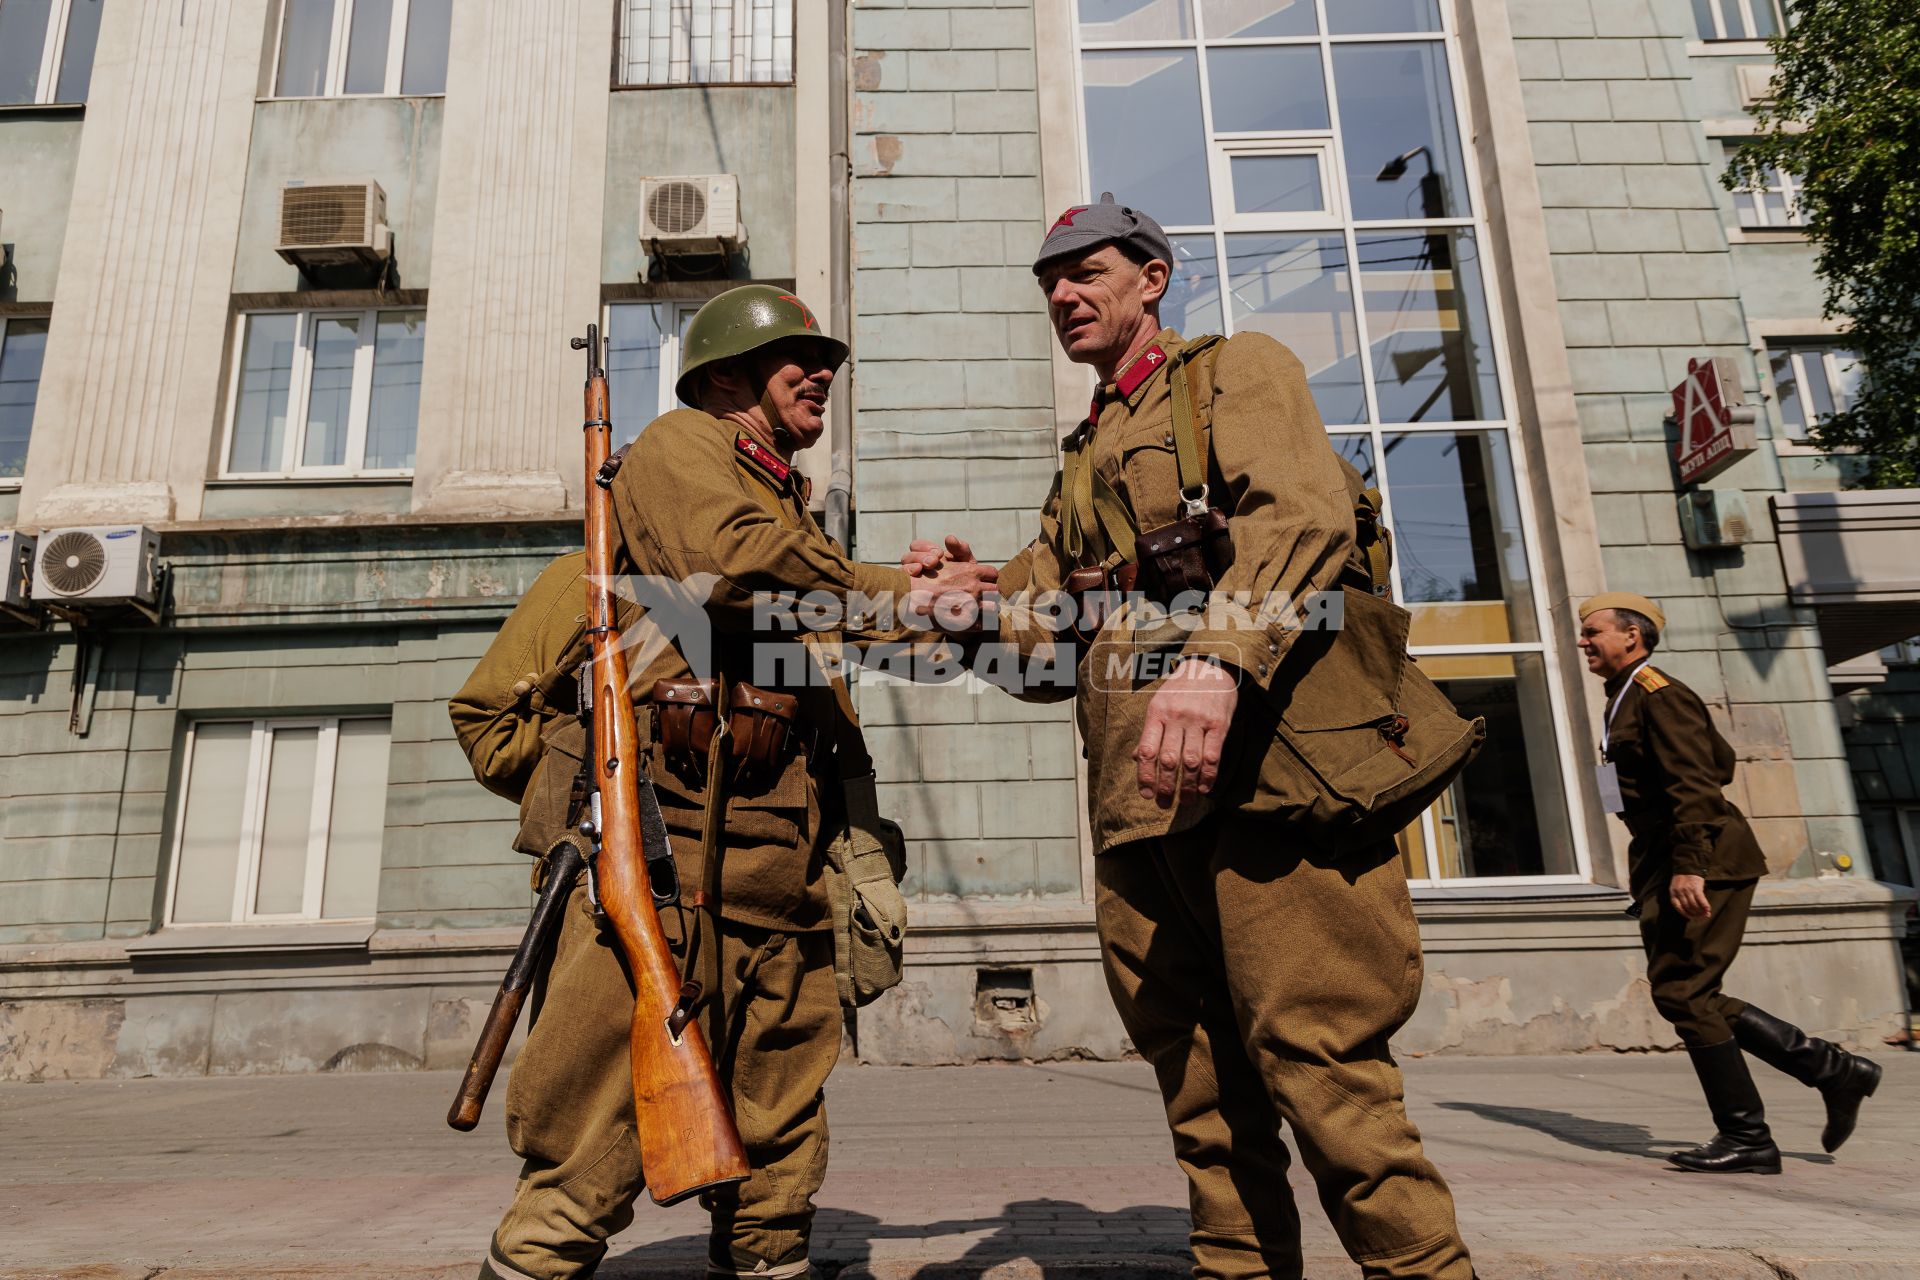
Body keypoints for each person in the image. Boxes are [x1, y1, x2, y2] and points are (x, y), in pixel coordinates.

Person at [909, 195, 1474, 1280]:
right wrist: (965, 609)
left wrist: (1216, 663)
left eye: (1087, 271)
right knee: (1202, 1090)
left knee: (1324, 1064)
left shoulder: (1234, 372)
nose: (1064, 293)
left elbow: (1301, 519)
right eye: (1050, 282)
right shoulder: (1082, 461)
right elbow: (1047, 647)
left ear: (1152, 277)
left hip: (1271, 781)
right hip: (1138, 807)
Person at [451, 284, 994, 1280]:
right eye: (798, 355)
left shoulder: (799, 558)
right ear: (727, 379)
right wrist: (602, 773)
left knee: (778, 1186)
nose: (823, 370)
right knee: (584, 1169)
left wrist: (952, 594)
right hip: (653, 898)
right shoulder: (659, 495)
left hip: (784, 905)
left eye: (828, 356)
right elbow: (493, 715)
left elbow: (866, 633)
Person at [1577, 592, 1881, 1174]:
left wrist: (1691, 865)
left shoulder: (1657, 695)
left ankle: (1751, 1135)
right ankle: (1832, 1073)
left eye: (1593, 632)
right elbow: (1718, 758)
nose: (1584, 641)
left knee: (1683, 994)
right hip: (1671, 860)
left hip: (1703, 860)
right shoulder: (1625, 697)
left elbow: (1698, 783)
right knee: (1691, 993)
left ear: (1632, 637)